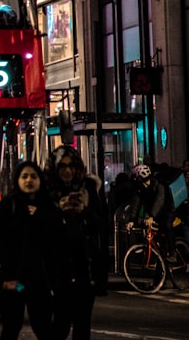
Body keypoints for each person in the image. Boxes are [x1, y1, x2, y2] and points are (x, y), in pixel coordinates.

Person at [0, 160, 58, 340]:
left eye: (34, 176)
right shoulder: (8, 206)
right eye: (24, 176)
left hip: (39, 280)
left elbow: (53, 241)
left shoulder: (48, 207)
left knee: (43, 326)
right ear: (17, 180)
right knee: (12, 325)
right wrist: (8, 277)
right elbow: (0, 243)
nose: (29, 180)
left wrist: (37, 216)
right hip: (15, 281)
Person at [46, 146, 107, 340]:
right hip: (57, 269)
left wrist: (84, 210)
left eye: (71, 166)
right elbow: (40, 230)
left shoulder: (88, 187)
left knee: (82, 323)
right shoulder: (47, 191)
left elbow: (101, 226)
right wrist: (58, 211)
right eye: (62, 166)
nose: (67, 171)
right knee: (60, 323)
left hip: (84, 269)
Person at [126, 163, 177, 261]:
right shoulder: (140, 188)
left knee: (167, 226)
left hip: (167, 211)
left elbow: (159, 201)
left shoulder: (159, 185)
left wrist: (151, 216)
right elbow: (136, 204)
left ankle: (172, 252)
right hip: (154, 214)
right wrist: (132, 220)